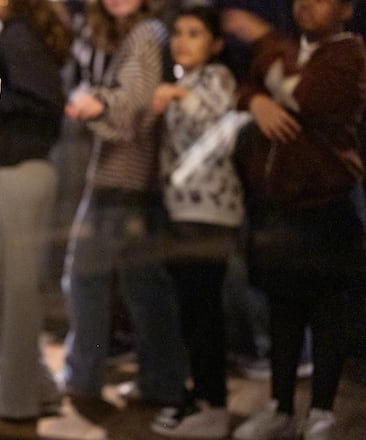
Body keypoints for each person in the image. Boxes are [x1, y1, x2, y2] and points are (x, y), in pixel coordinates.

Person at [229, 0, 366, 438]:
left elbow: (304, 96)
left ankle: (322, 411)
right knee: (282, 310)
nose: (306, 4)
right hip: (276, 209)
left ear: (346, 10)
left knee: (328, 312)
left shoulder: (350, 54)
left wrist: (265, 43)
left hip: (325, 208)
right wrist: (256, 101)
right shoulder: (290, 51)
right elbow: (246, 87)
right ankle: (280, 405)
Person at [59, 0, 187, 410]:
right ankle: (161, 381)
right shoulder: (141, 33)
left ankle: (84, 379)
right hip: (135, 181)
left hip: (123, 181)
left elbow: (133, 106)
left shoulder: (146, 34)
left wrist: (97, 101)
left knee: (86, 279)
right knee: (144, 287)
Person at [0, 0, 72, 421]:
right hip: (14, 170)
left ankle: (17, 398)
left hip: (18, 170)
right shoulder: (18, 33)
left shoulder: (18, 35)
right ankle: (35, 385)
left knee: (12, 288)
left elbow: (43, 101)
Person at [147, 5, 240, 438]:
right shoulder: (184, 80)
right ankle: (199, 397)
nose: (183, 41)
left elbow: (219, 122)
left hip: (210, 214)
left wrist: (179, 96)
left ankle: (214, 405)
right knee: (189, 310)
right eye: (179, 33)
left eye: (195, 33)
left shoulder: (216, 78)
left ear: (216, 44)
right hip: (182, 211)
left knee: (204, 311)